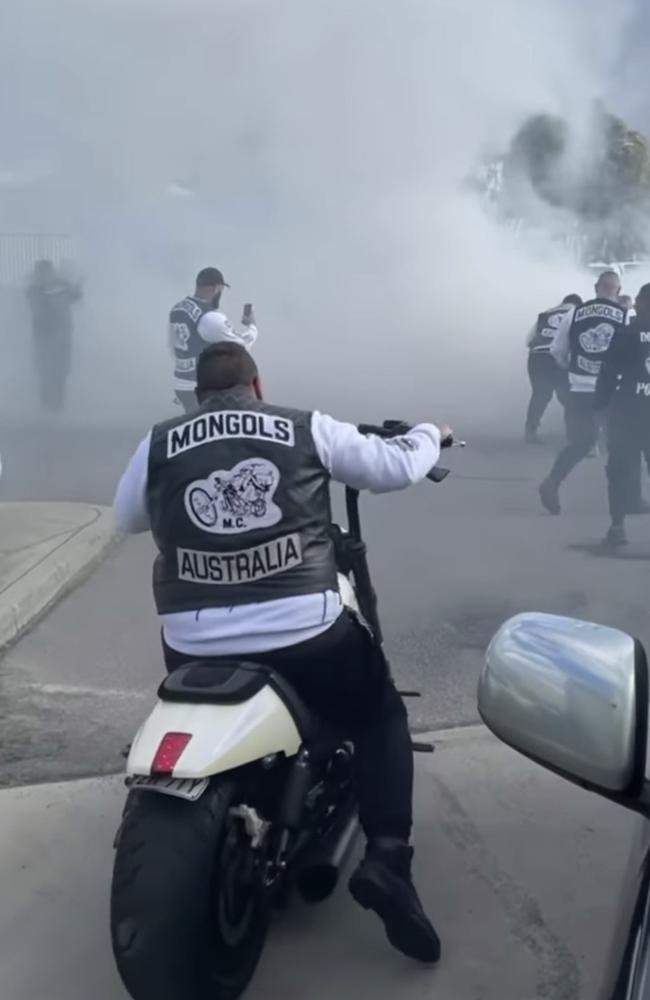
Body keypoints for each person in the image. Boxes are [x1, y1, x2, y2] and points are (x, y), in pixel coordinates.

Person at [114, 341, 450, 964]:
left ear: (196, 394)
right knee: (379, 716)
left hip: (190, 642)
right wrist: (431, 433)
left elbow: (127, 518)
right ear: (257, 385)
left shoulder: (158, 441)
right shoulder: (304, 425)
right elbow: (393, 468)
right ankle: (387, 859)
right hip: (305, 630)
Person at [538, 270, 626, 514]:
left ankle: (552, 481)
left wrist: (573, 369)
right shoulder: (626, 315)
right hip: (613, 390)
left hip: (580, 387)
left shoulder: (574, 313)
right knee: (623, 443)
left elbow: (556, 350)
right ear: (618, 291)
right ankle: (623, 501)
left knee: (581, 442)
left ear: (596, 287)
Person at [595, 283, 650, 545]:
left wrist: (599, 408)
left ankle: (617, 528)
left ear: (639, 305)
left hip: (628, 412)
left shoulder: (625, 334)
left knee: (618, 473)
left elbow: (607, 375)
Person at [169, 267, 258, 414]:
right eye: (222, 289)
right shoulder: (210, 318)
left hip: (181, 383)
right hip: (200, 387)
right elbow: (242, 346)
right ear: (216, 288)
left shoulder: (177, 308)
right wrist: (252, 325)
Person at [524, 293, 582, 444]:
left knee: (540, 395)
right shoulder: (578, 314)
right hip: (559, 358)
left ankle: (530, 431)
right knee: (568, 397)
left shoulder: (545, 313)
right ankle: (574, 434)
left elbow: (528, 340)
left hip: (537, 357)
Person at [26, 259, 82, 411]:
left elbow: (77, 295)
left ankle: (58, 401)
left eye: (46, 271)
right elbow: (37, 299)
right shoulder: (35, 288)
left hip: (61, 333)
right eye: (41, 272)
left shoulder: (60, 283)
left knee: (61, 369)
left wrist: (76, 287)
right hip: (43, 334)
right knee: (44, 368)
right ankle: (47, 402)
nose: (44, 275)